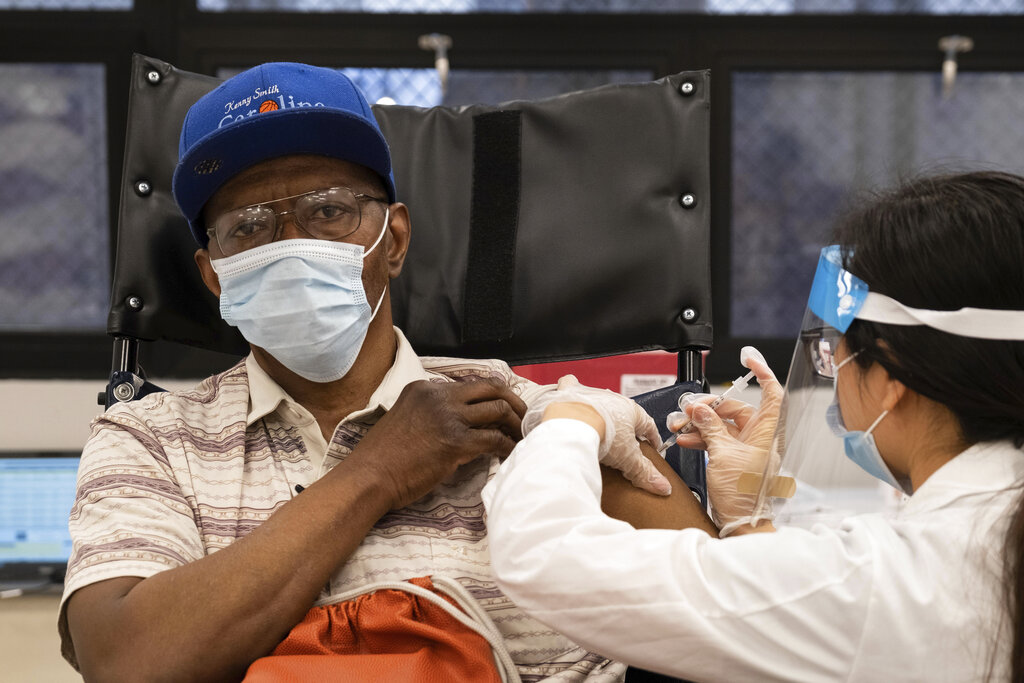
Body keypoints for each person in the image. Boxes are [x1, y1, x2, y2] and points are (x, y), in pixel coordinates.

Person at [58, 62, 710, 682]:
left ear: (393, 241)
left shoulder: (522, 412)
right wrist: (378, 471)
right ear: (213, 275)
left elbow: (715, 599)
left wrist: (602, 436)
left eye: (328, 211)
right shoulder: (151, 440)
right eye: (249, 226)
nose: (290, 242)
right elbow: (125, 661)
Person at [483, 171, 1024, 681]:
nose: (833, 373)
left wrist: (572, 420)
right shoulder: (970, 544)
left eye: (839, 353)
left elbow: (545, 557)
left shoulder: (896, 582)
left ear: (889, 379)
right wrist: (748, 516)